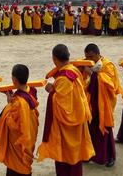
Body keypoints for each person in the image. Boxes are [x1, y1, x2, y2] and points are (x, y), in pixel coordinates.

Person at [37, 44, 94, 176]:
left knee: (65, 157)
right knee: (75, 156)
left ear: (54, 59)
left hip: (67, 127)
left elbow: (62, 106)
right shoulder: (74, 71)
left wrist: (51, 91)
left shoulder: (64, 78)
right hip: (78, 119)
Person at [0, 64, 39, 176]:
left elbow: (11, 125)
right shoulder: (31, 93)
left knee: (16, 170)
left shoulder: (18, 103)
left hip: (18, 147)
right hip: (30, 141)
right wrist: (12, 101)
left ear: (14, 80)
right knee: (25, 167)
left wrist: (10, 105)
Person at [83, 44, 121, 167]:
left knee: (105, 130)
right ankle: (89, 154)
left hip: (103, 103)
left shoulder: (107, 65)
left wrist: (92, 74)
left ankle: (110, 156)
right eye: (87, 56)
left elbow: (110, 85)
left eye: (90, 56)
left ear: (97, 53)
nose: (89, 59)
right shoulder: (87, 62)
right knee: (89, 130)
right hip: (90, 102)